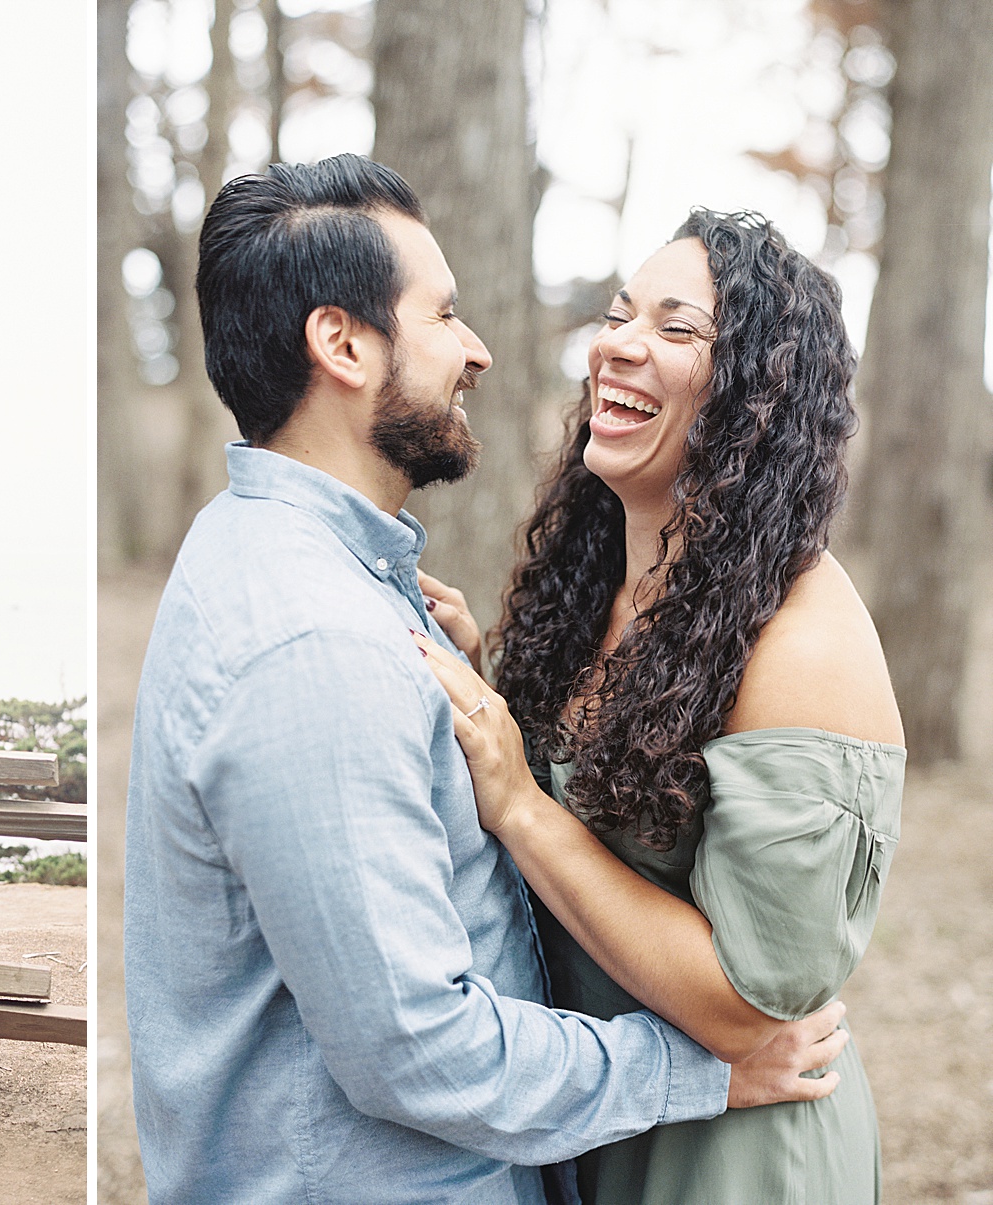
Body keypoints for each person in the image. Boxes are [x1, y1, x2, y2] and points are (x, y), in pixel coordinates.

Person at [124, 155, 849, 1205]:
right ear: (343, 344)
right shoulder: (316, 639)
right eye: (446, 314)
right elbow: (418, 1045)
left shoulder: (300, 567)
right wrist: (701, 1066)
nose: (479, 350)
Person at [412, 210, 900, 1204]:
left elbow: (744, 1006)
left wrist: (520, 804)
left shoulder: (801, 643)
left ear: (758, 398)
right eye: (619, 312)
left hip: (735, 1159)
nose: (618, 344)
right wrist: (492, 682)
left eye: (678, 330)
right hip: (604, 1116)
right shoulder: (600, 587)